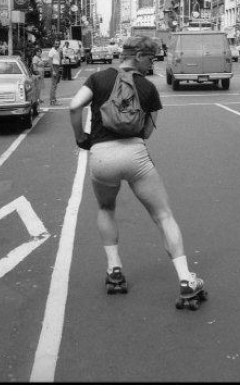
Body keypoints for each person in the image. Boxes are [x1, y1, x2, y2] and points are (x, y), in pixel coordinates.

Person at [68, 36, 205, 304]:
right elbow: (148, 132)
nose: (151, 64)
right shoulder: (148, 88)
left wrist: (80, 138)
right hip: (135, 156)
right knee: (164, 216)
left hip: (101, 157)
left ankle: (114, 269)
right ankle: (186, 279)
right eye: (150, 58)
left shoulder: (97, 80)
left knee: (106, 209)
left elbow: (74, 106)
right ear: (139, 55)